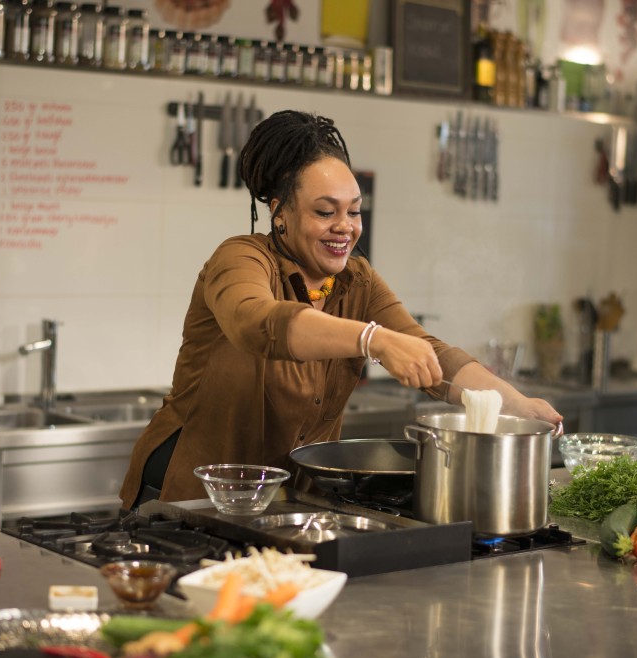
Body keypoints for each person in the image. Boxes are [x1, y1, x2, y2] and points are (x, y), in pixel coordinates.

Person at [119, 110, 562, 508]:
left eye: (354, 211)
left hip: (288, 506)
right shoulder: (240, 258)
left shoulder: (359, 281)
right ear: (280, 212)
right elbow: (255, 322)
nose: (345, 228)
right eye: (325, 211)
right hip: (189, 501)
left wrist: (518, 405)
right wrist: (373, 339)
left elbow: (429, 353)